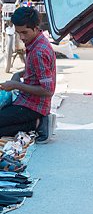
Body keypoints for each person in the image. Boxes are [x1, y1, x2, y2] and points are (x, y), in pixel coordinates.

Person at [0, 7, 56, 141]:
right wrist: (19, 74)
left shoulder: (38, 51)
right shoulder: (36, 42)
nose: (22, 37)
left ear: (36, 28)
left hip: (33, 106)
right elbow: (36, 69)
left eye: (25, 32)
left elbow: (48, 90)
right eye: (19, 33)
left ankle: (37, 123)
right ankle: (35, 122)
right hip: (26, 100)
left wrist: (16, 85)